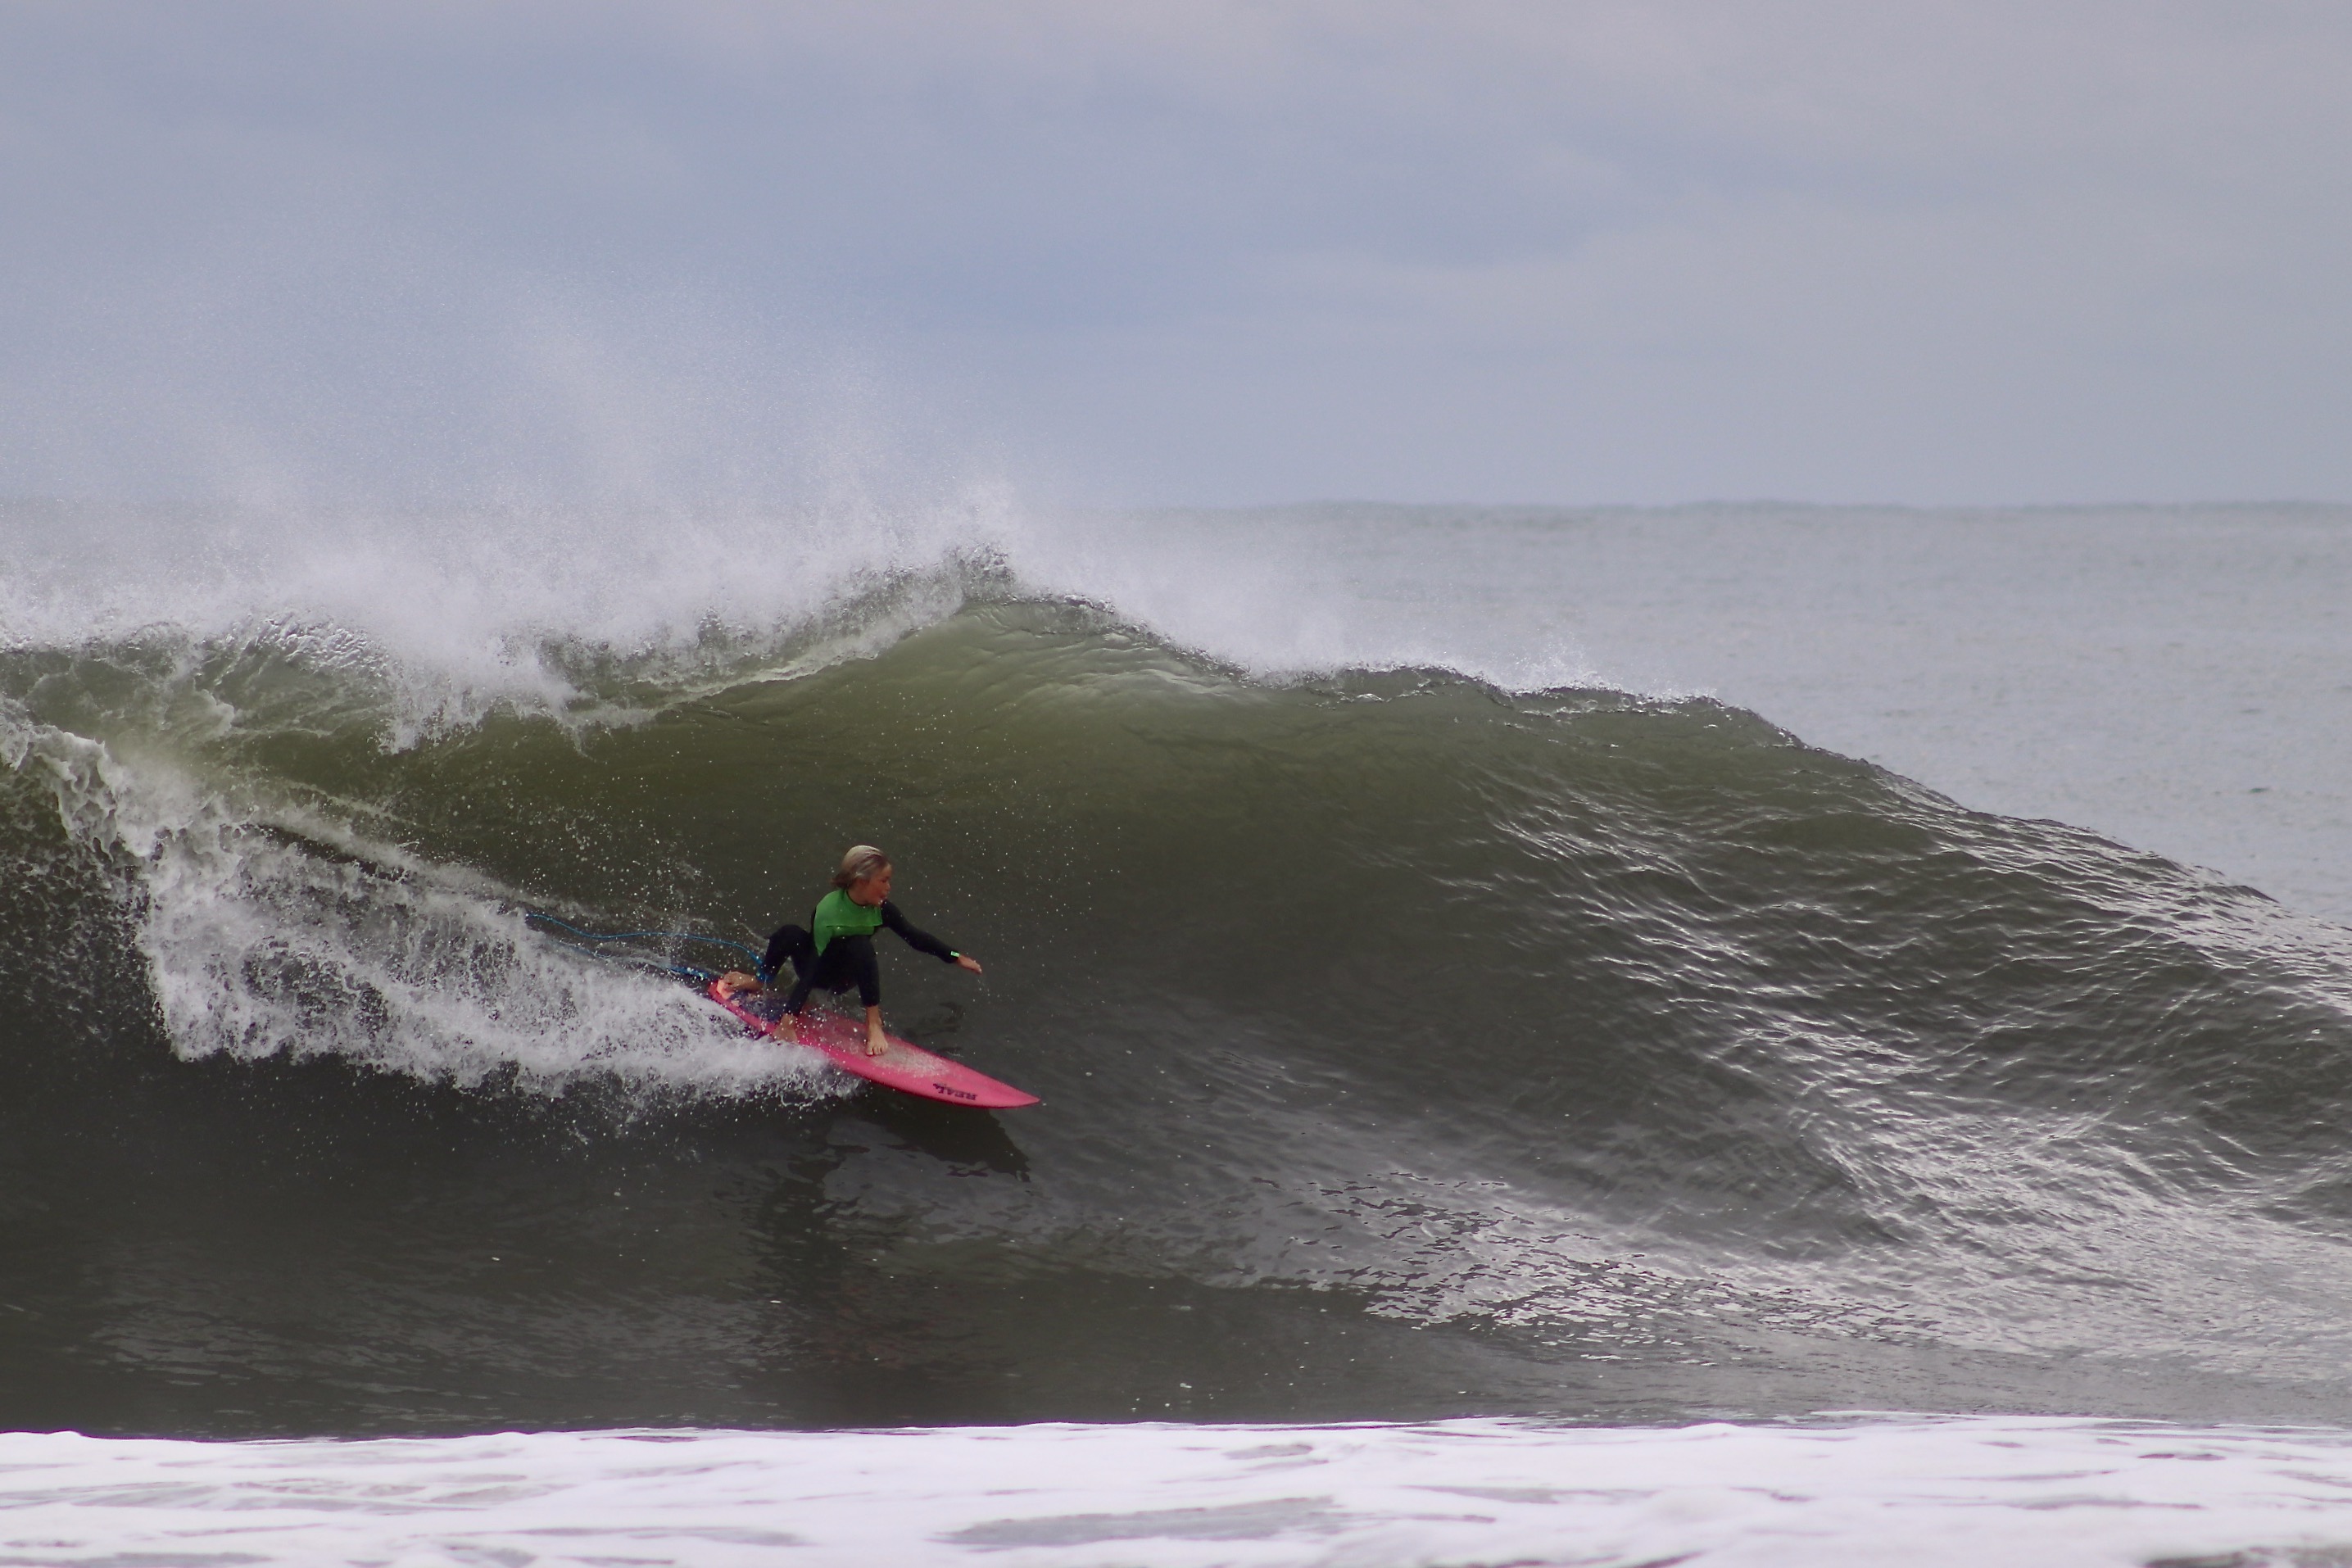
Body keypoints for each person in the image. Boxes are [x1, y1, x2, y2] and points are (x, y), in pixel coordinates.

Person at [720, 845, 983, 1057]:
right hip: (817, 967)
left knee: (859, 945)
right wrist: (789, 1018)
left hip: (844, 976)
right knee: (789, 932)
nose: (889, 887)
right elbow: (811, 966)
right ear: (861, 881)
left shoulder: (881, 910)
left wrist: (955, 957)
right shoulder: (829, 911)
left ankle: (873, 1024)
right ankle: (760, 980)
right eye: (884, 880)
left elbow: (915, 938)